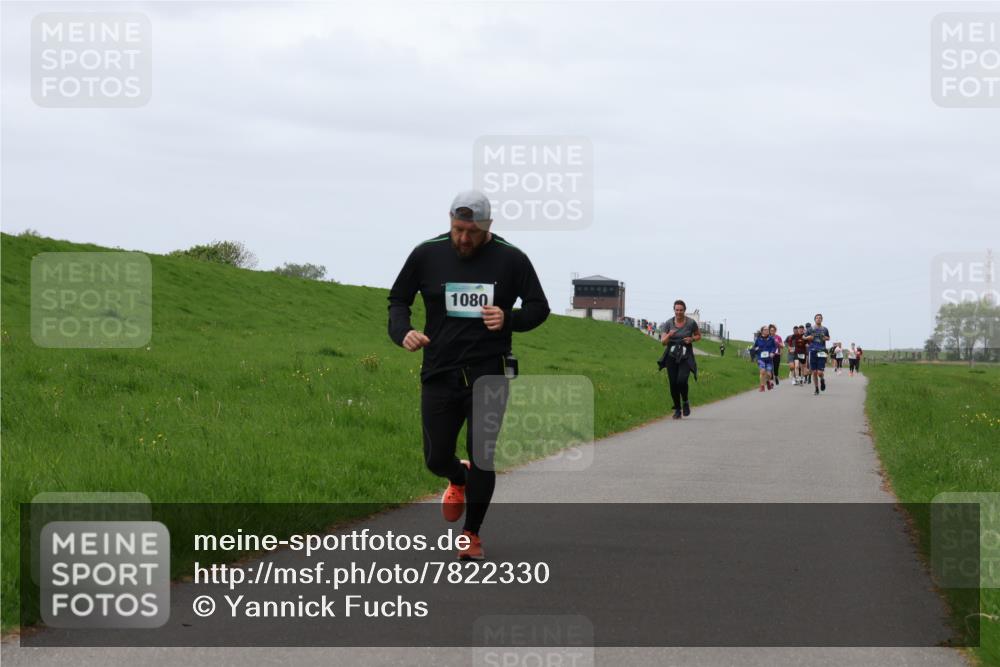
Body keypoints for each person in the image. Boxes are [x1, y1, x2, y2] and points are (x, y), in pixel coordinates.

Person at [388, 190, 550, 560]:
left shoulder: (512, 259)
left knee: (483, 455)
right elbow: (398, 299)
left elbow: (539, 308)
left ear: (488, 227)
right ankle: (456, 476)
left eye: (472, 232)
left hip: (488, 373)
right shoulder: (426, 253)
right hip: (439, 371)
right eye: (457, 229)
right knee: (434, 457)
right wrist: (403, 332)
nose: (463, 238)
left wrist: (510, 318)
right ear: (449, 221)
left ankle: (471, 534)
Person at [658, 300, 701, 419]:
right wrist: (669, 335)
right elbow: (663, 342)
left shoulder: (691, 323)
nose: (679, 312)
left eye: (681, 310)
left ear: (684, 310)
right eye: (677, 310)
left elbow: (698, 336)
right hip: (671, 355)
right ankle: (677, 409)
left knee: (681, 381)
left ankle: (685, 401)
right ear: (674, 310)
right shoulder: (668, 323)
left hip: (685, 355)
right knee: (673, 384)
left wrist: (691, 339)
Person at [804, 313, 831, 396]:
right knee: (814, 372)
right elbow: (804, 337)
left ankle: (822, 379)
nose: (818, 319)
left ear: (822, 319)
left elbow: (828, 338)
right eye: (817, 318)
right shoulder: (810, 329)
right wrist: (809, 338)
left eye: (820, 318)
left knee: (819, 372)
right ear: (815, 319)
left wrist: (825, 338)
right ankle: (816, 388)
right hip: (812, 351)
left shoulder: (825, 329)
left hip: (822, 351)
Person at [753, 325, 778, 391]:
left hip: (769, 359)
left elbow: (774, 347)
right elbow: (754, 347)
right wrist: (756, 349)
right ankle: (762, 386)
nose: (767, 331)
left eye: (767, 330)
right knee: (762, 372)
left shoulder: (771, 339)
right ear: (762, 331)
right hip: (760, 358)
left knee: (769, 374)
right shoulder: (758, 339)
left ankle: (768, 381)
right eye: (765, 330)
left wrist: (772, 352)